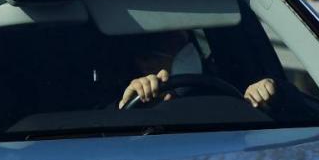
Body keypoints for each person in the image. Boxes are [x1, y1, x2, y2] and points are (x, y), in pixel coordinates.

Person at [117, 30, 278, 110]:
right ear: (145, 63)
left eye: (185, 41)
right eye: (173, 45)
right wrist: (130, 105)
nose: (187, 49)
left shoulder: (221, 93)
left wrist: (261, 95)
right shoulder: (128, 105)